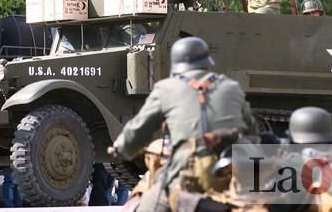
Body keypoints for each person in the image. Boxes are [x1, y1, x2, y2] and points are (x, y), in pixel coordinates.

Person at [108, 36, 255, 212]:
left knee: (150, 201)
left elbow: (137, 130)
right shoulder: (231, 86)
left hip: (186, 177)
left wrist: (120, 148)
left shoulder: (166, 88)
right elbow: (252, 131)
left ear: (176, 66)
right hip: (233, 174)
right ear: (207, 65)